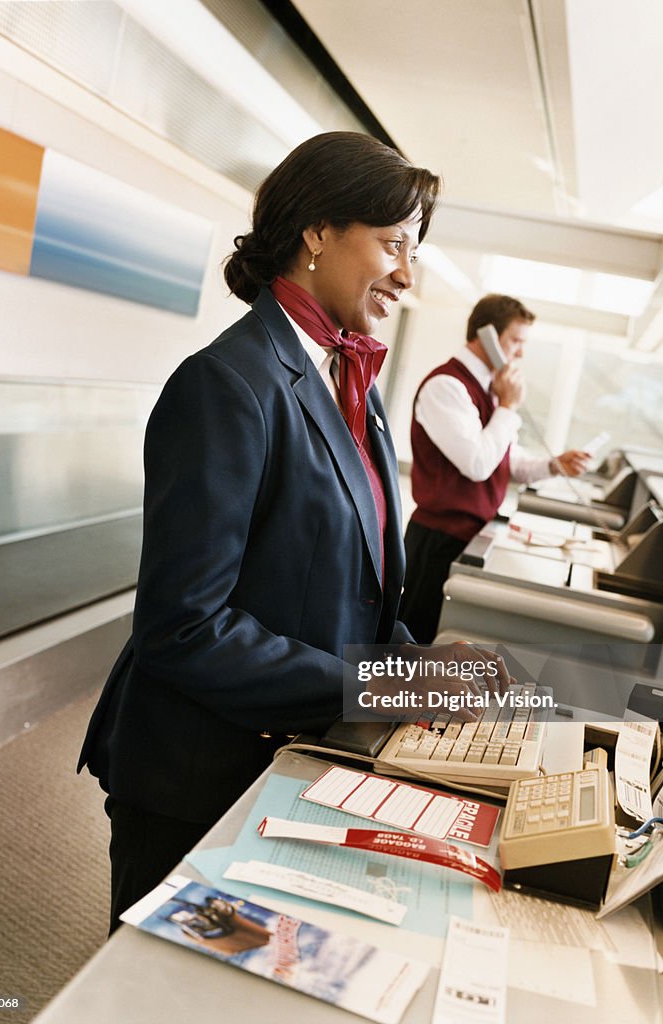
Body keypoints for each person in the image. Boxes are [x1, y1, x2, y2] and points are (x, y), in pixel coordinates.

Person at [77, 131, 446, 933]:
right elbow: (184, 627)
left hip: (288, 755)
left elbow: (357, 588)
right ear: (317, 231)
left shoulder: (351, 382)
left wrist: (426, 672)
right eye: (392, 245)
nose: (407, 276)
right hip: (197, 770)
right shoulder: (228, 383)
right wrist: (367, 685)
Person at [399, 293, 590, 643]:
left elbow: (507, 461)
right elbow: (477, 464)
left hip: (463, 535)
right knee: (415, 643)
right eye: (516, 340)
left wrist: (553, 465)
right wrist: (509, 407)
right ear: (486, 334)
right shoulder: (448, 386)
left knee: (437, 643)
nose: (520, 352)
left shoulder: (489, 391)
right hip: (437, 539)